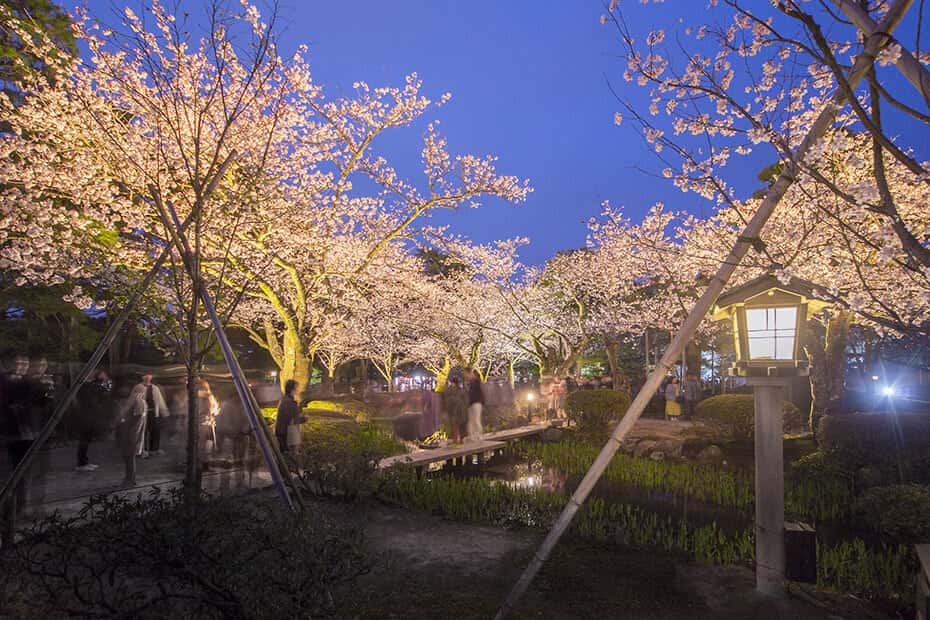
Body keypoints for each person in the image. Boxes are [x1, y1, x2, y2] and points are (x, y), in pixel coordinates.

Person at [74, 369, 112, 472]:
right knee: (84, 440)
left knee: (86, 440)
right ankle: (81, 463)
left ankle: (84, 462)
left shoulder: (91, 386)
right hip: (86, 416)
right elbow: (94, 399)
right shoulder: (86, 386)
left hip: (89, 416)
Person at [116, 383, 147, 486]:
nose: (135, 394)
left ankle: (130, 479)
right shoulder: (140, 402)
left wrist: (124, 420)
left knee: (129, 457)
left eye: (137, 392)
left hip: (132, 434)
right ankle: (130, 479)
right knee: (128, 457)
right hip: (132, 434)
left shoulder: (139, 403)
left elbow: (137, 420)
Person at [136, 374, 168, 458]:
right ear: (142, 377)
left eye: (149, 376)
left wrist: (164, 412)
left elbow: (160, 400)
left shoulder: (155, 388)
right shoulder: (138, 387)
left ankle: (154, 449)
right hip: (142, 414)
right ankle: (142, 450)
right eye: (146, 376)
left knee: (155, 430)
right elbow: (135, 400)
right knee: (143, 432)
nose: (148, 378)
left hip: (153, 413)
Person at [274, 379, 305, 453]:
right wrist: (304, 419)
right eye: (297, 388)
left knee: (287, 452)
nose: (298, 390)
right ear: (292, 389)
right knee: (288, 453)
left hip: (284, 431)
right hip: (286, 432)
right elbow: (291, 419)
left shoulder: (286, 399)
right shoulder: (288, 402)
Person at [441, 377, 468, 444]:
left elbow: (446, 400)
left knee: (456, 426)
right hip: (456, 411)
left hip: (456, 411)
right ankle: (457, 440)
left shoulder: (452, 391)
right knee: (456, 426)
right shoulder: (459, 390)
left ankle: (458, 440)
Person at [465, 369, 484, 442]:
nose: (465, 376)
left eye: (466, 374)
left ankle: (479, 435)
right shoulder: (469, 383)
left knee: (476, 420)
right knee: (471, 421)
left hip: (476, 402)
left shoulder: (476, 381)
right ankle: (472, 436)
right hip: (471, 403)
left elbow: (477, 392)